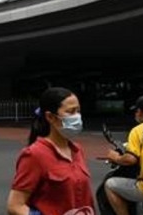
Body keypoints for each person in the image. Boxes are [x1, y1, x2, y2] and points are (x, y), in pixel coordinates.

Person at [7, 87, 95, 215]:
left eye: (78, 111)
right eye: (70, 112)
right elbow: (15, 206)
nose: (77, 117)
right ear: (50, 117)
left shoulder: (77, 150)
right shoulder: (34, 154)